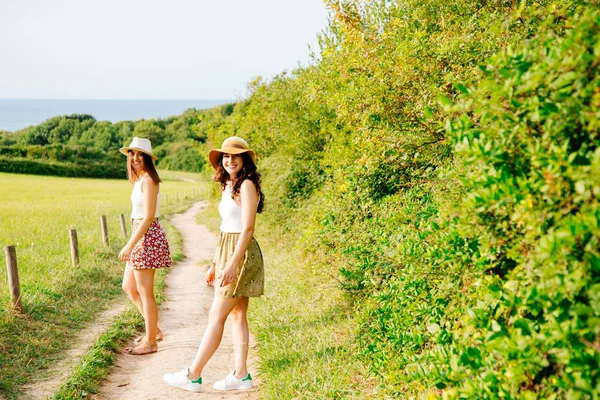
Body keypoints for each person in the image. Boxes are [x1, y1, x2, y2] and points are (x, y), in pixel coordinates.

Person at [163, 136, 265, 392]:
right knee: (237, 314)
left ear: (244, 160)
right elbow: (225, 227)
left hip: (240, 252)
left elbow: (248, 227)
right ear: (222, 160)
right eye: (226, 156)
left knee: (216, 316)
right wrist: (214, 262)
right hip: (227, 249)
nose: (230, 160)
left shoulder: (247, 186)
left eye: (236, 156)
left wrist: (231, 264)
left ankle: (193, 374)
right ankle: (241, 375)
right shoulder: (229, 185)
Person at [118, 136, 172, 355]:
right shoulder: (139, 179)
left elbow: (149, 216)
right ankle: (154, 331)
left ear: (148, 158)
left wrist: (130, 244)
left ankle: (150, 342)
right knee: (129, 287)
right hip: (140, 234)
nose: (136, 158)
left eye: (141, 154)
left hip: (146, 236)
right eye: (133, 154)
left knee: (145, 291)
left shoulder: (149, 180)